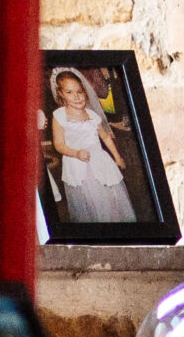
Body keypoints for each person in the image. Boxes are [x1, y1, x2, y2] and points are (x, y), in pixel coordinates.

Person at [50, 69, 136, 223]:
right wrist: (75, 153)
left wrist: (117, 157)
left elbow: (104, 136)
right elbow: (59, 144)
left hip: (100, 160)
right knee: (93, 199)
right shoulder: (59, 115)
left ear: (85, 92)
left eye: (80, 92)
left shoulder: (93, 115)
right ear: (61, 93)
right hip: (77, 162)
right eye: (69, 92)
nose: (76, 97)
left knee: (111, 196)